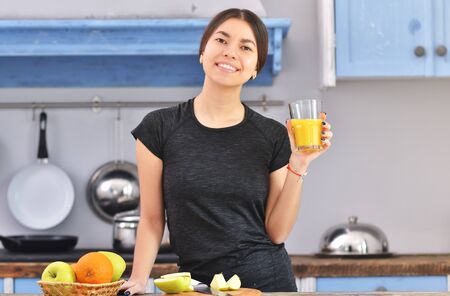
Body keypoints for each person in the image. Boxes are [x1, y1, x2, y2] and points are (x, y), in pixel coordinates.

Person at [121, 8, 333, 295]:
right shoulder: (159, 128)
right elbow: (152, 219)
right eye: (221, 40)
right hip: (199, 289)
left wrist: (299, 161)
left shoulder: (272, 135)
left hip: (266, 284)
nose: (231, 52)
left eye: (245, 47)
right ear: (202, 51)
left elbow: (277, 232)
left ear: (255, 67)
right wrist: (138, 279)